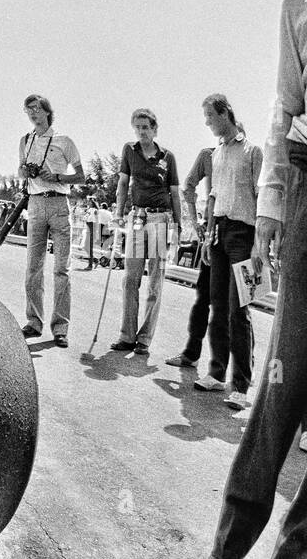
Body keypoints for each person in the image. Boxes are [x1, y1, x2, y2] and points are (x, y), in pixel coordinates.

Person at [195, 0, 307, 559]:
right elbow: (283, 108)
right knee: (285, 376)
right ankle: (233, 535)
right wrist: (272, 202)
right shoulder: (297, 9)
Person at [192, 94, 260, 411]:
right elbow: (213, 198)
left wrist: (261, 244)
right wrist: (207, 236)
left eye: (209, 115)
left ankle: (242, 386)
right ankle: (217, 373)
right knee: (218, 305)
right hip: (218, 234)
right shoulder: (215, 154)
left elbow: (262, 200)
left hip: (244, 236)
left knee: (239, 309)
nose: (206, 122)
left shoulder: (252, 151)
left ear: (224, 113)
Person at [109, 109, 182, 356]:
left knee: (154, 282)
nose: (141, 131)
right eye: (137, 127)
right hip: (138, 217)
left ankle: (145, 338)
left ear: (154, 129)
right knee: (131, 279)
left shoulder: (167, 157)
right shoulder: (130, 150)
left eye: (145, 127)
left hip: (160, 219)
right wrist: (118, 212)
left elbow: (174, 193)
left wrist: (178, 225)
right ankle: (127, 335)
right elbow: (122, 183)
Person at [17, 95, 84, 347]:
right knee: (33, 266)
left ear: (47, 111)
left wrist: (56, 176)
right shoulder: (25, 140)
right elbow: (20, 171)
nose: (32, 113)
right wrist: (25, 172)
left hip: (59, 204)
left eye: (36, 108)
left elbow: (80, 177)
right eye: (28, 109)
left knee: (61, 269)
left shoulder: (64, 141)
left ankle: (60, 328)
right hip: (35, 203)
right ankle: (34, 322)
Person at [166, 147, 216, 370]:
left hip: (233, 233)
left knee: (233, 304)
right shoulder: (209, 155)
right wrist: (196, 223)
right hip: (212, 233)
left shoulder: (248, 153)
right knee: (204, 298)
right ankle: (191, 353)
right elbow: (188, 187)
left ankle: (245, 364)